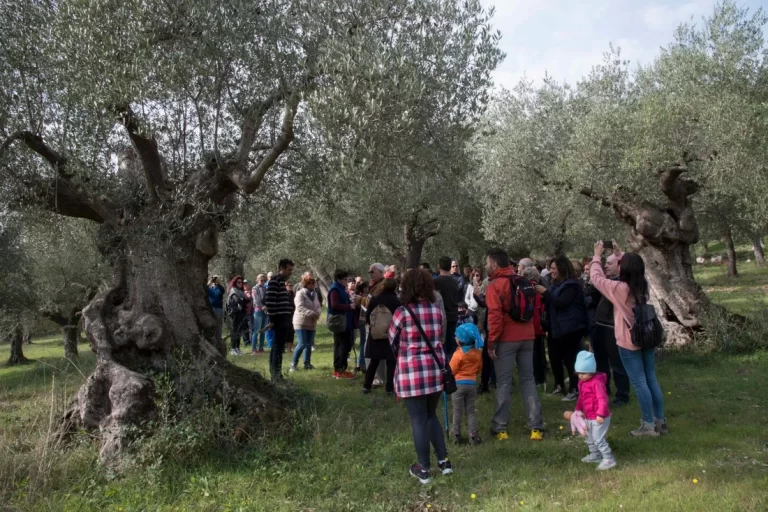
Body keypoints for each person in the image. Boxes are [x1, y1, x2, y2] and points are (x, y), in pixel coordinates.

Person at [590, 241, 667, 437]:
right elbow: (632, 267)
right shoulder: (643, 285)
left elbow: (596, 278)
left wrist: (597, 255)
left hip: (628, 339)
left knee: (639, 382)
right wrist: (618, 253)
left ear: (624, 268)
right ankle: (660, 421)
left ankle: (647, 425)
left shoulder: (619, 289)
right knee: (651, 378)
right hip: (647, 336)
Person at [389, 269, 452, 485]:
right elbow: (440, 335)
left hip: (411, 372)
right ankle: (444, 461)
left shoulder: (402, 312)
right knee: (430, 415)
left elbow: (393, 341)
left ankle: (423, 468)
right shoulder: (436, 311)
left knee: (418, 419)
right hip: (435, 370)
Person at [485, 248, 544, 441]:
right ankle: (536, 427)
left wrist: (491, 342)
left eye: (487, 263)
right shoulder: (523, 281)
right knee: (528, 380)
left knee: (503, 383)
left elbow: (495, 317)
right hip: (527, 336)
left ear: (494, 264)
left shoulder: (495, 285)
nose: (486, 266)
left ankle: (501, 428)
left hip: (506, 339)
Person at [534, 255, 588, 401]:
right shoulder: (555, 284)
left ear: (561, 269)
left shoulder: (571, 285)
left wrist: (546, 293)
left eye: (553, 268)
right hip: (555, 328)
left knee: (570, 359)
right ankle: (559, 386)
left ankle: (574, 389)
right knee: (554, 357)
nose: (551, 271)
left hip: (569, 328)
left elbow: (562, 303)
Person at [588, 250, 630, 406]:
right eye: (605, 263)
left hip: (613, 328)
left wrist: (596, 258)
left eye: (610, 263)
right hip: (599, 325)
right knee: (600, 362)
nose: (606, 266)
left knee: (617, 364)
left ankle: (622, 395)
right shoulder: (609, 281)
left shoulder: (620, 284)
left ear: (620, 266)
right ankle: (603, 391)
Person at [569, 351, 617, 470]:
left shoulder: (596, 383)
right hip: (588, 415)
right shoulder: (582, 382)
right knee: (589, 437)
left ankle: (608, 459)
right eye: (579, 373)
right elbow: (582, 397)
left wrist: (600, 414)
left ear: (592, 371)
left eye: (584, 373)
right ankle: (595, 455)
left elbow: (602, 399)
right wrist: (578, 409)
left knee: (598, 438)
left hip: (599, 416)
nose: (580, 376)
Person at [362, 277, 399, 394]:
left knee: (374, 362)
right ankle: (390, 388)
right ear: (395, 287)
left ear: (383, 286)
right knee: (391, 362)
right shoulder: (397, 301)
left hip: (376, 335)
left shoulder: (375, 299)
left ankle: (366, 386)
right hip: (391, 335)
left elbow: (367, 316)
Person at [450, 323, 484, 446]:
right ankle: (473, 436)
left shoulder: (458, 354)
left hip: (458, 385)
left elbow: (451, 370)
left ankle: (456, 435)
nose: (455, 338)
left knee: (457, 411)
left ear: (461, 340)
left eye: (456, 336)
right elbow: (479, 369)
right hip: (472, 384)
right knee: (470, 410)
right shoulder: (477, 354)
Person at [264, 260, 295, 382]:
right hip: (279, 320)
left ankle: (277, 373)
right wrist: (272, 320)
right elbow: (270, 302)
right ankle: (276, 375)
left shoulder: (282, 283)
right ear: (281, 268)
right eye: (288, 270)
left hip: (285, 319)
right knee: (277, 348)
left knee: (279, 347)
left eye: (291, 270)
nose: (290, 273)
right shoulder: (274, 281)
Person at [521, 266, 548, 392]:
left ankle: (535, 379)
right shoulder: (540, 288)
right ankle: (542, 378)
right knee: (539, 352)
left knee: (531, 354)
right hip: (540, 325)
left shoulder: (526, 288)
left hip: (530, 324)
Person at [328, 269, 357, 380]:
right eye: (345, 279)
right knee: (344, 345)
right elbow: (334, 305)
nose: (346, 281)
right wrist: (349, 306)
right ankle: (340, 369)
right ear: (339, 279)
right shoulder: (335, 289)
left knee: (340, 345)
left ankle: (338, 369)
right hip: (339, 322)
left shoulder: (341, 288)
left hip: (344, 321)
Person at [290, 274, 321, 371]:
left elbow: (318, 306)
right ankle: (293, 364)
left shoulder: (315, 294)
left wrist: (318, 313)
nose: (312, 284)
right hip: (300, 322)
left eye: (313, 283)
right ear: (305, 284)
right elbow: (300, 307)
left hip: (312, 322)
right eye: (310, 283)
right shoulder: (300, 293)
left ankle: (307, 364)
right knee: (302, 343)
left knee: (309, 344)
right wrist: (312, 313)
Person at [434, 256, 460, 359]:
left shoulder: (436, 282)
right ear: (450, 266)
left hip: (441, 316)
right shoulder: (455, 281)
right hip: (453, 314)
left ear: (439, 266)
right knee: (451, 343)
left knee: (442, 343)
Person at [226, 275, 248, 356]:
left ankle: (237, 348)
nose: (240, 283)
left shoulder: (240, 291)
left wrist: (244, 300)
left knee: (239, 330)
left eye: (241, 282)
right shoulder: (233, 290)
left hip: (240, 313)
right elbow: (238, 300)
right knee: (234, 330)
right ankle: (233, 349)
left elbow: (246, 300)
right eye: (239, 282)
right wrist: (243, 300)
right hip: (233, 313)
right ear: (235, 283)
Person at [354, 281, 370, 373]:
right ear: (364, 288)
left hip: (362, 321)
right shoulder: (363, 298)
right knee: (364, 343)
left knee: (362, 343)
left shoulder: (364, 298)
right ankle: (362, 364)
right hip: (363, 321)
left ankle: (359, 363)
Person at [251, 274, 268, 354]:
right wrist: (263, 307)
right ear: (257, 280)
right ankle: (254, 348)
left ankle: (261, 348)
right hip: (258, 311)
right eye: (261, 280)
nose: (263, 282)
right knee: (256, 330)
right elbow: (256, 300)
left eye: (264, 280)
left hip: (265, 311)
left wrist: (267, 307)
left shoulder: (265, 288)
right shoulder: (254, 288)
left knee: (263, 330)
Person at [207, 276, 226, 341]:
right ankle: (212, 338)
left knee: (218, 324)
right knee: (211, 323)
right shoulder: (209, 288)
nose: (214, 283)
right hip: (210, 309)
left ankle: (218, 338)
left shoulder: (219, 288)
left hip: (218, 308)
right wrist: (210, 282)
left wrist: (218, 282)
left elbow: (223, 290)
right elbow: (205, 288)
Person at [265, 271, 275, 350]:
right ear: (267, 277)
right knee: (268, 327)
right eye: (270, 277)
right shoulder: (265, 286)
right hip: (267, 310)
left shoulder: (275, 285)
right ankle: (270, 343)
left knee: (274, 327)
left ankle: (274, 342)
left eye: (272, 276)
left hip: (275, 309)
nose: (271, 278)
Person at [243, 280, 254, 347]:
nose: (245, 285)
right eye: (244, 284)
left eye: (246, 284)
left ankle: (252, 341)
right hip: (244, 313)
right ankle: (246, 342)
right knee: (245, 328)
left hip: (250, 313)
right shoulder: (241, 293)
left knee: (251, 328)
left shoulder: (251, 292)